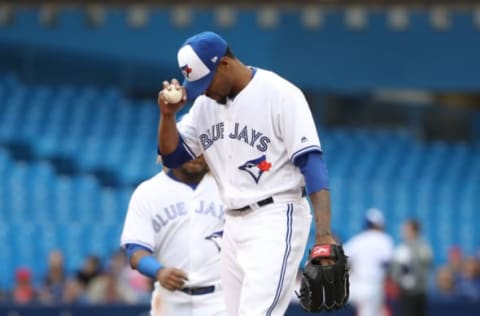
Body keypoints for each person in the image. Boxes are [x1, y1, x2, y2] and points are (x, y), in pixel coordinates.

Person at [156, 31, 339, 316]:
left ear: (226, 64)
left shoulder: (280, 94)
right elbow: (172, 155)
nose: (203, 91)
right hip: (232, 223)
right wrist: (168, 117)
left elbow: (312, 163)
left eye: (206, 82)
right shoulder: (205, 106)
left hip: (275, 217)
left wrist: (324, 235)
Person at [120, 156, 226, 316]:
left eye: (200, 146)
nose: (195, 153)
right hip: (170, 300)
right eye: (188, 145)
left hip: (221, 298)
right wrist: (158, 271)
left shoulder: (227, 187)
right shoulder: (148, 191)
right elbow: (135, 251)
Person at [343, 208, 394, 316]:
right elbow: (387, 263)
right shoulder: (384, 239)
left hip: (356, 285)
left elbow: (341, 258)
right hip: (374, 285)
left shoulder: (358, 239)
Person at [390, 219, 432, 316]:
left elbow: (426, 266)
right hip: (408, 293)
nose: (403, 232)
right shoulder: (404, 249)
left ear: (413, 231)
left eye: (406, 229)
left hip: (417, 292)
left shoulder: (420, 247)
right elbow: (395, 274)